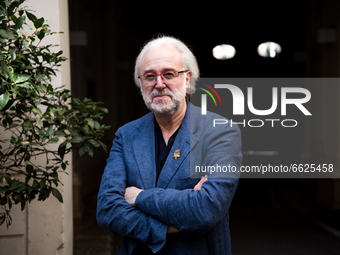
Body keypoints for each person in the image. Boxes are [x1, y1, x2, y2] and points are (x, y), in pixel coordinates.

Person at [96, 35, 242, 255]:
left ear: (187, 78)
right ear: (140, 82)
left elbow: (206, 209)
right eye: (149, 76)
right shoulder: (126, 135)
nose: (159, 84)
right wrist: (165, 227)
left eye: (169, 74)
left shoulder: (220, 131)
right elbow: (107, 210)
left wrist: (137, 197)